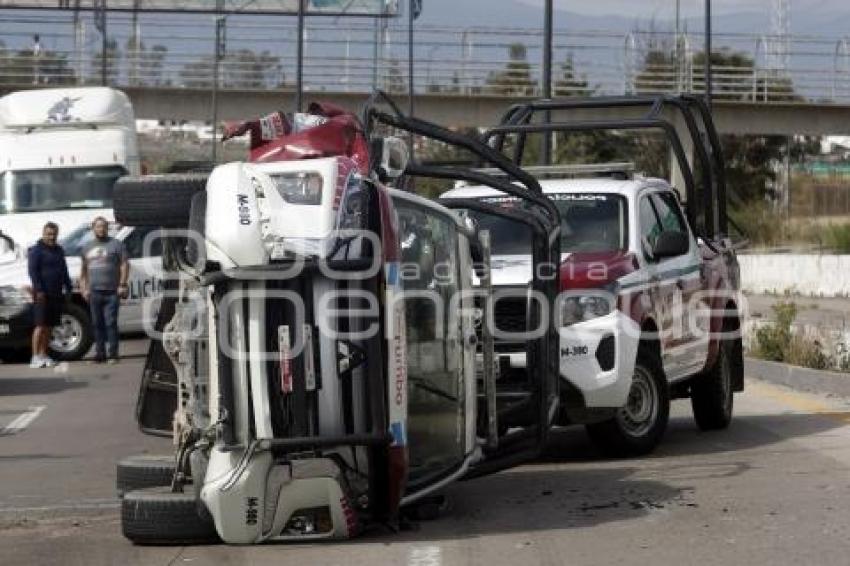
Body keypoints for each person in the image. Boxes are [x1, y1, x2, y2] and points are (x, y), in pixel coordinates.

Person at [79, 217, 129, 364]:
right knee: (96, 323)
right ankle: (100, 354)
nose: (101, 229)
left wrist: (122, 284)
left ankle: (113, 354)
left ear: (107, 228)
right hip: (94, 292)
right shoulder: (87, 247)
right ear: (93, 229)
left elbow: (125, 265)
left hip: (112, 291)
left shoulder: (116, 245)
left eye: (103, 226)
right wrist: (84, 289)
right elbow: (83, 270)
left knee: (110, 322)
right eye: (98, 227)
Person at [27, 222, 73, 369]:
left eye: (54, 234)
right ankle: (35, 357)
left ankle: (43, 355)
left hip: (56, 293)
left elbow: (64, 270)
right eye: (48, 234)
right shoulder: (36, 251)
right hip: (42, 295)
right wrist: (39, 290)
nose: (51, 237)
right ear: (43, 233)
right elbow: (33, 272)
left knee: (49, 327)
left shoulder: (59, 250)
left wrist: (69, 287)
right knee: (40, 326)